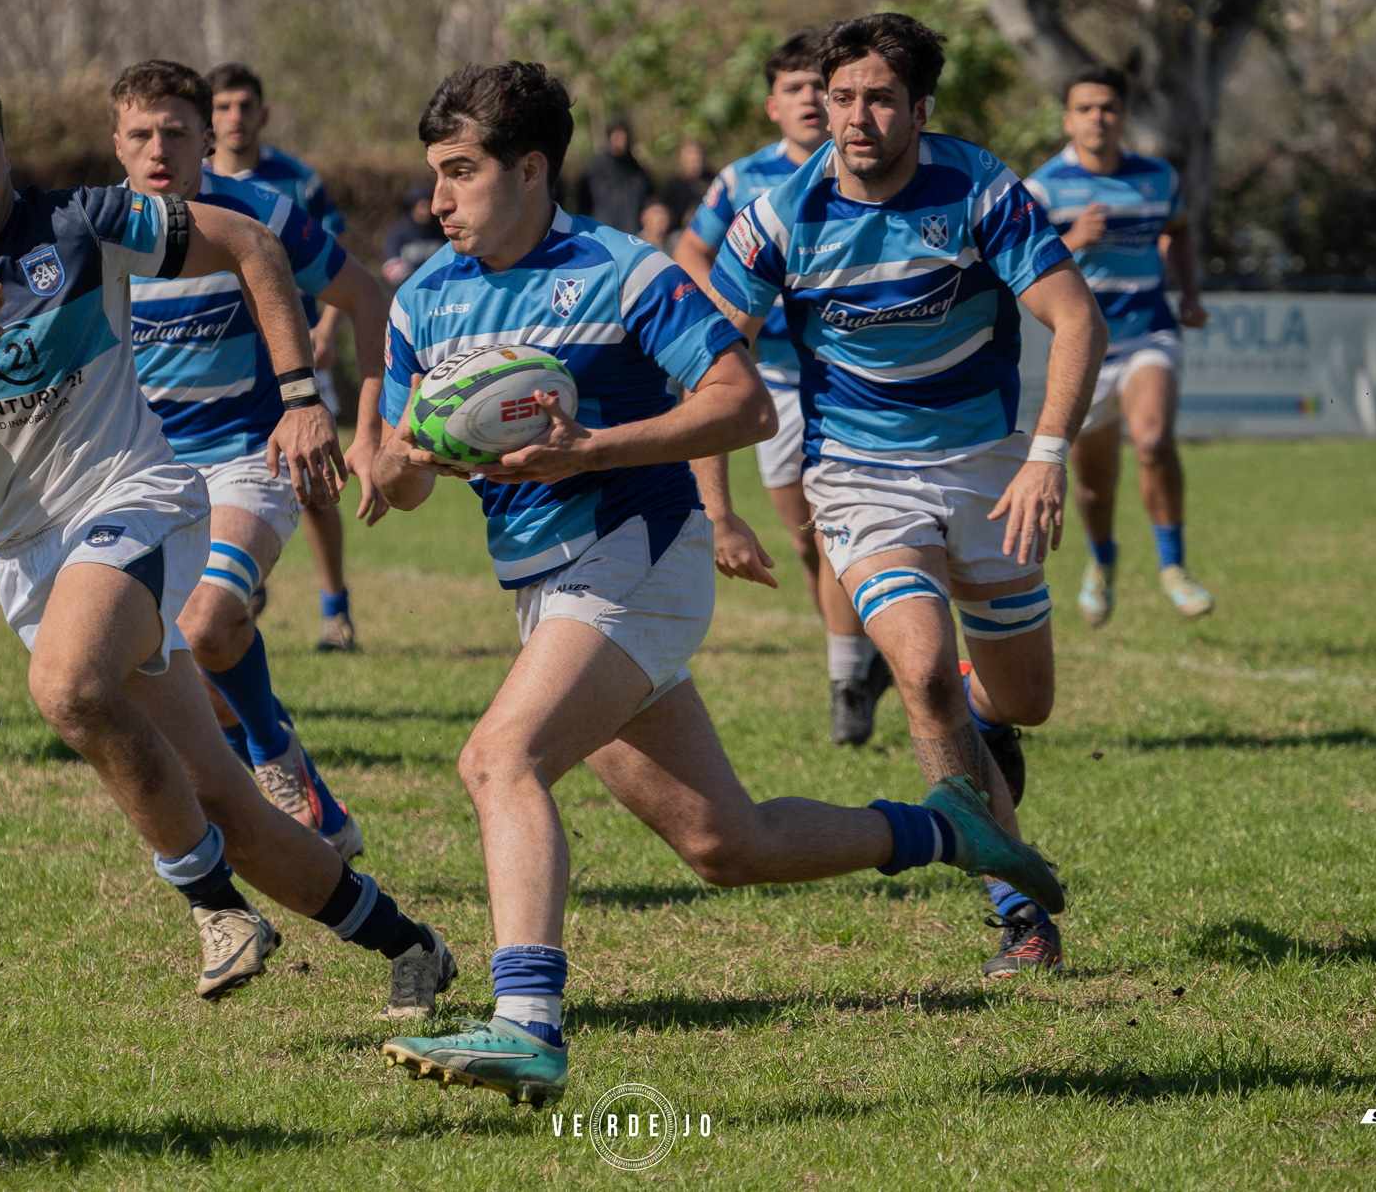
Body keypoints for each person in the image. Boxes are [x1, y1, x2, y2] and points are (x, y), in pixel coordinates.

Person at [372, 60, 1062, 1107]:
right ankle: (951, 828)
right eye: (435, 175)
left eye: (459, 173)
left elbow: (744, 405)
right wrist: (404, 456)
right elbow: (398, 476)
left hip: (637, 557)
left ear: (527, 170)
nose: (439, 200)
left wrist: (593, 448)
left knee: (498, 759)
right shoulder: (423, 296)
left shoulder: (624, 271)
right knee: (724, 844)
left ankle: (527, 1026)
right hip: (544, 590)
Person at [0, 62, 456, 1016]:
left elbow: (250, 245)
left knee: (67, 684)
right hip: (27, 554)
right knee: (229, 803)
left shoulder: (79, 222)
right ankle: (412, 944)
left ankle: (212, 908)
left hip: (138, 497)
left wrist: (296, 395)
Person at [706, 14, 1107, 979]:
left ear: (920, 108)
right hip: (858, 477)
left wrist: (1046, 457)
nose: (855, 117)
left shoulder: (978, 188)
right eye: (842, 98)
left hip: (990, 469)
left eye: (880, 99)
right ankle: (1017, 909)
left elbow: (1074, 316)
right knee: (922, 672)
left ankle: (987, 716)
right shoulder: (777, 216)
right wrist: (718, 507)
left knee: (1025, 699)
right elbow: (708, 355)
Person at [114, 59, 390, 860]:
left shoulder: (262, 211)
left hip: (249, 453)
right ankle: (299, 788)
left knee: (208, 621)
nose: (159, 147)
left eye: (175, 130)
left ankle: (271, 756)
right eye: (141, 133)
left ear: (207, 137)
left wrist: (363, 428)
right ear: (117, 143)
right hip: (144, 471)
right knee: (169, 662)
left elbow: (366, 297)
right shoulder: (92, 229)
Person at [674, 29, 891, 747]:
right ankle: (862, 649)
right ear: (774, 105)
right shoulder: (743, 182)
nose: (808, 100)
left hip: (847, 381)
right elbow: (691, 252)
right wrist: (726, 316)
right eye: (796, 89)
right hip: (774, 385)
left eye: (816, 88)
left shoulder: (878, 167)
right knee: (809, 541)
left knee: (835, 539)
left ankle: (848, 682)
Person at [1024, 65, 1212, 626]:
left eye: (1107, 108)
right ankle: (1103, 562)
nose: (1097, 118)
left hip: (1147, 333)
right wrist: (1070, 240)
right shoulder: (1042, 187)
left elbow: (1177, 230)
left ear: (1123, 117)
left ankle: (1174, 568)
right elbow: (1013, 263)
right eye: (1085, 108)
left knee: (1153, 439)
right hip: (1081, 352)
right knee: (1095, 488)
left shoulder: (1157, 177)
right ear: (1068, 119)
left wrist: (1191, 295)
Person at [205, 62, 369, 651]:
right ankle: (239, 581)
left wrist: (326, 327)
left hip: (292, 361)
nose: (234, 118)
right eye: (222, 107)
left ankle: (335, 609)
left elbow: (340, 264)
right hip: (218, 372)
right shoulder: (179, 185)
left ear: (264, 113)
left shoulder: (296, 182)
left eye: (245, 105)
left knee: (315, 484)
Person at [573, 116, 650, 235]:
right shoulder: (594, 170)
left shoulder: (638, 172)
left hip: (630, 236)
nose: (621, 140)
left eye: (624, 136)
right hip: (600, 233)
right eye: (617, 136)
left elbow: (645, 203)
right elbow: (583, 204)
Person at [381, 183, 445, 286]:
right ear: (412, 207)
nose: (426, 211)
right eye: (422, 206)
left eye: (429, 205)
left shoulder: (441, 230)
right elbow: (391, 270)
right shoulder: (398, 232)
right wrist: (422, 280)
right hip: (409, 293)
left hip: (438, 292)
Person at [659, 136, 712, 231]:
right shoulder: (674, 185)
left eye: (698, 154)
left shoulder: (715, 181)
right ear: (683, 158)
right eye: (691, 155)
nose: (696, 159)